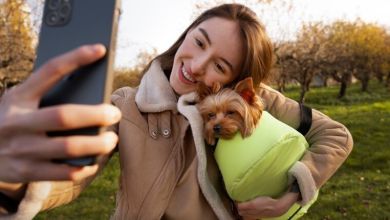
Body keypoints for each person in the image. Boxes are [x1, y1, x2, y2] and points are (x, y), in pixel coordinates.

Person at [0, 3, 353, 219]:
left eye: (220, 65)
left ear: (237, 79)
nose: (197, 66)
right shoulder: (126, 104)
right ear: (186, 34)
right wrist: (12, 179)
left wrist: (293, 194)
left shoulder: (254, 101)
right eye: (198, 42)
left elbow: (336, 135)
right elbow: (73, 177)